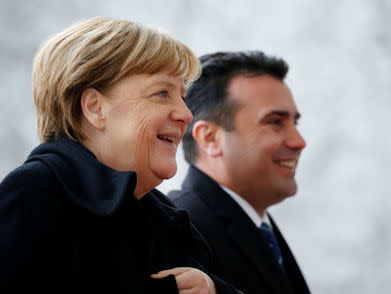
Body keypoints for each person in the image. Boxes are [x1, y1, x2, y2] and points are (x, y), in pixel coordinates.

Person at [0, 17, 241, 294]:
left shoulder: (160, 215)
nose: (186, 115)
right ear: (95, 108)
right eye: (162, 93)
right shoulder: (33, 193)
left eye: (182, 96)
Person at [168, 51, 311, 294]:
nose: (299, 141)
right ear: (210, 138)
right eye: (275, 122)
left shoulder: (256, 224)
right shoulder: (179, 230)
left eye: (294, 123)